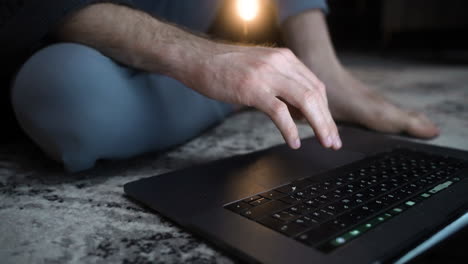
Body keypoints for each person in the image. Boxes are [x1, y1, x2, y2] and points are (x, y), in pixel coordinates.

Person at [0, 0, 439, 172]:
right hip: (70, 35)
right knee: (65, 93)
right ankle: (229, 93)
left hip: (188, 20)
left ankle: (302, 74)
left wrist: (324, 67)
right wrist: (198, 57)